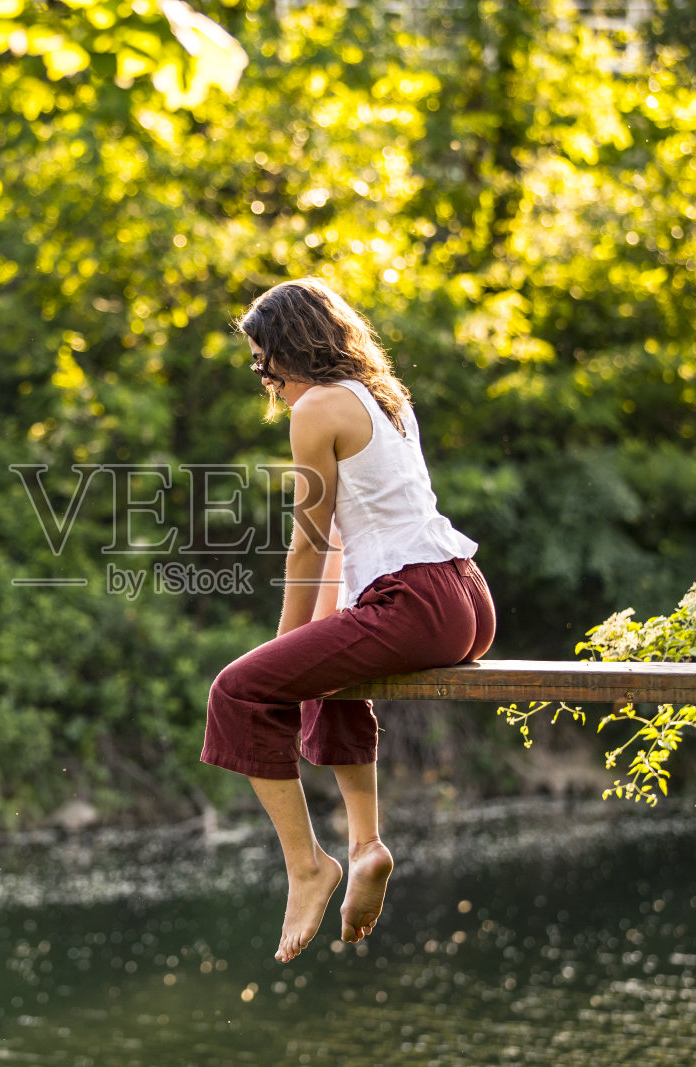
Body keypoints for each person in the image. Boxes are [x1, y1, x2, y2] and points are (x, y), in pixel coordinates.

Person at [201, 278, 496, 963]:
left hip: (416, 599)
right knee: (326, 660)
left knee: (235, 691)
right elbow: (335, 543)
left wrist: (280, 652)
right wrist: (300, 651)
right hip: (466, 596)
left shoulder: (317, 408)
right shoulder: (384, 397)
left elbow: (306, 540)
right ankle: (365, 845)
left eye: (260, 361)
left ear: (286, 349)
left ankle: (308, 865)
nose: (263, 379)